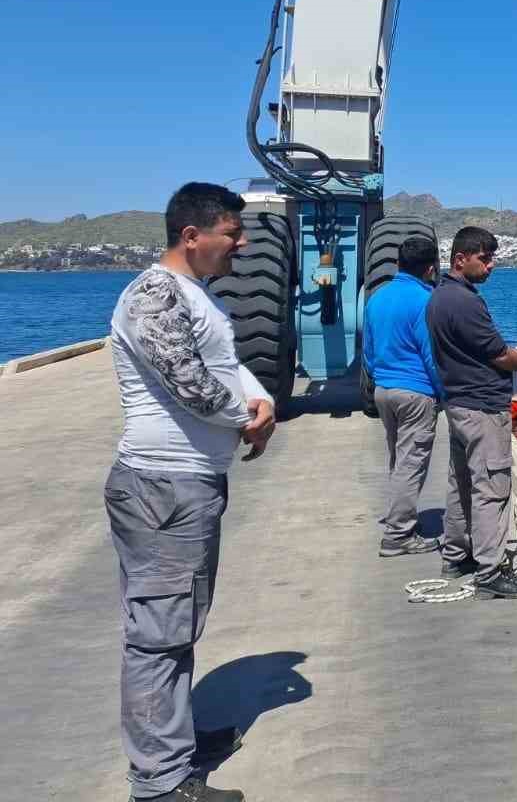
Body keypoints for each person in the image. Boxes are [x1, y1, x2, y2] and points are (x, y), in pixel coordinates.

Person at [106, 183, 275, 802]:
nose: (242, 243)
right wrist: (247, 419)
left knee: (178, 624)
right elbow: (190, 384)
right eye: (233, 233)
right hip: (162, 488)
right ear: (192, 236)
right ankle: (159, 783)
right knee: (158, 634)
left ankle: (173, 743)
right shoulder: (153, 295)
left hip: (187, 485)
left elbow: (222, 366)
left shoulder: (195, 293)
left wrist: (263, 398)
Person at [426, 226, 517, 599]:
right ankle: (490, 572)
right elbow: (498, 353)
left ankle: (456, 555)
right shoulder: (466, 302)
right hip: (482, 409)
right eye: (484, 258)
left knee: (461, 482)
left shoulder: (439, 297)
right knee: (492, 487)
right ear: (460, 259)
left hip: (458, 404)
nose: (491, 265)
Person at [363, 234, 445, 557]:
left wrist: (380, 377)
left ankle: (401, 519)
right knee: (412, 463)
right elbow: (431, 355)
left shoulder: (376, 298)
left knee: (399, 461)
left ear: (398, 263)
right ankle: (398, 535)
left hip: (384, 390)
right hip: (415, 392)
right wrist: (443, 393)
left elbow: (368, 351)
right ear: (430, 269)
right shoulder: (426, 300)